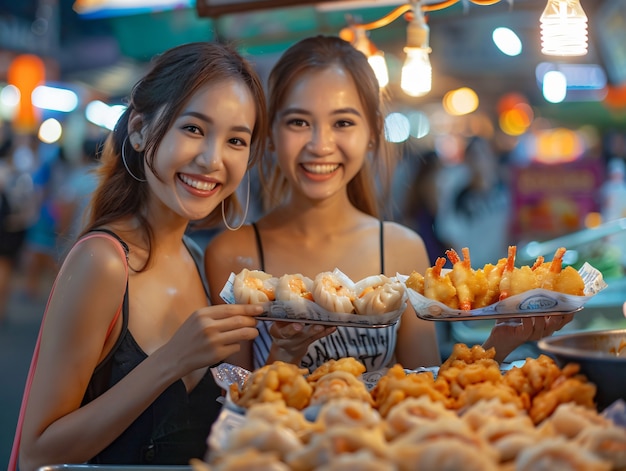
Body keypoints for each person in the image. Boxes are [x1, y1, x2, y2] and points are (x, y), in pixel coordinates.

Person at [205, 35, 572, 374]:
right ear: (270, 135)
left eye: (343, 122)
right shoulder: (233, 256)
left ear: (372, 134)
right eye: (299, 122)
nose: (320, 144)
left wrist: (502, 341)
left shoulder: (400, 249)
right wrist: (284, 354)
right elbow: (231, 403)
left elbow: (427, 391)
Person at [12, 41, 268, 471]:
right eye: (193, 129)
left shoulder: (197, 259)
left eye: (236, 140)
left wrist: (285, 355)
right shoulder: (103, 262)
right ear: (140, 130)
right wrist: (173, 361)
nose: (212, 159)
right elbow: (38, 452)